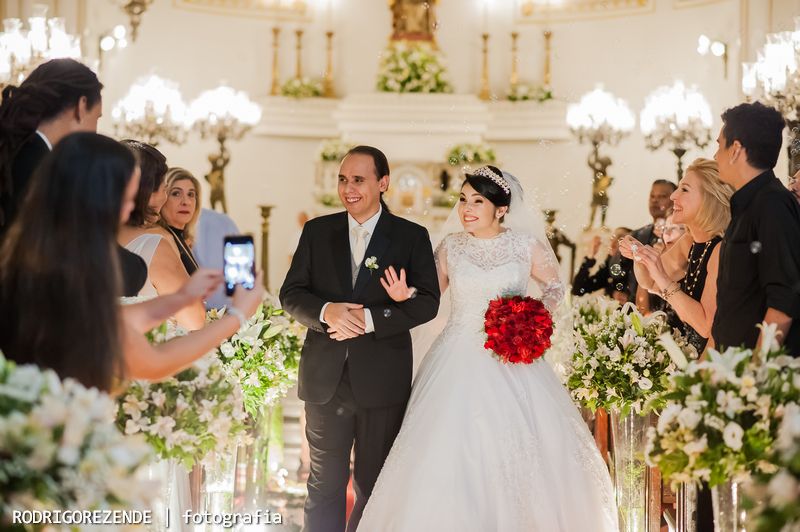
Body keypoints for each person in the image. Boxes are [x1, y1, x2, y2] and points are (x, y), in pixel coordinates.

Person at [357, 166, 618, 531]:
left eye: (477, 201)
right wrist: (406, 295)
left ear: (501, 208)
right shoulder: (452, 246)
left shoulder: (525, 245)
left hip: (511, 356)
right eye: (463, 199)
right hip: (456, 355)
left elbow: (556, 287)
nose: (466, 209)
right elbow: (430, 295)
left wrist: (532, 314)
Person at [0, 132, 264, 392]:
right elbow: (153, 362)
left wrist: (182, 296)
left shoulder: (35, 249)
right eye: (126, 197)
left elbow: (115, 318)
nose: (130, 209)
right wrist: (238, 315)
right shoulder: (76, 267)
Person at [279, 145, 440, 532]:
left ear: (383, 183)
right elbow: (292, 294)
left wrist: (371, 318)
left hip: (381, 382)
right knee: (323, 485)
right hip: (324, 381)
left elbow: (428, 303)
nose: (348, 188)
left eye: (358, 179)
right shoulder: (317, 231)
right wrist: (325, 312)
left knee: (373, 485)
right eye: (343, 179)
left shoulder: (410, 236)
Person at [0, 58, 146, 296]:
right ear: (81, 106)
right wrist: (138, 267)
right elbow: (81, 251)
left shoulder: (15, 150)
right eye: (97, 118)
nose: (96, 131)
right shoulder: (41, 168)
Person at [712, 102, 800, 355]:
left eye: (719, 145)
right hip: (734, 365)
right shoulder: (747, 204)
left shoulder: (772, 204)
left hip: (755, 374)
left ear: (735, 149)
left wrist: (756, 373)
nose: (715, 155)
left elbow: (784, 301)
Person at [621, 158, 733, 355]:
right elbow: (650, 282)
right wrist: (640, 256)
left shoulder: (720, 249)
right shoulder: (690, 241)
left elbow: (705, 325)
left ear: (709, 199)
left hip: (716, 358)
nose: (673, 196)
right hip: (689, 354)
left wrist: (661, 277)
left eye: (684, 189)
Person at [118, 141, 206, 330]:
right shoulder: (152, 244)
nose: (165, 197)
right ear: (146, 191)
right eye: (165, 189)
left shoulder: (88, 236)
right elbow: (194, 321)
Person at [628, 179, 676, 307]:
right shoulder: (637, 236)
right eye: (652, 196)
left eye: (662, 196)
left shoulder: (680, 237)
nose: (655, 200)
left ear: (674, 199)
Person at [194, 207, 240, 310]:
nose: (186, 201)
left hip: (223, 310)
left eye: (191, 194)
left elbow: (239, 272)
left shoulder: (222, 222)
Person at [571, 227, 632, 304]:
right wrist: (590, 257)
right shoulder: (609, 265)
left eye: (620, 238)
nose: (613, 243)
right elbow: (578, 290)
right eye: (612, 238)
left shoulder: (637, 265)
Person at [159, 167, 201, 275]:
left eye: (191, 194)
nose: (186, 202)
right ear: (162, 197)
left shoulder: (184, 239)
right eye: (176, 193)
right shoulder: (161, 240)